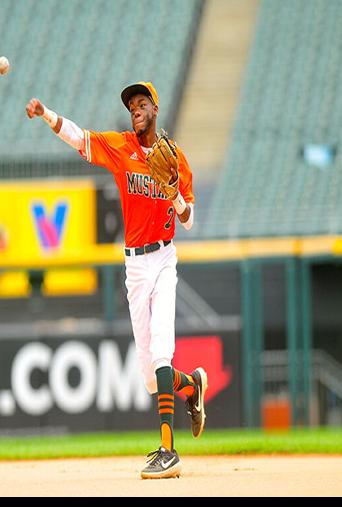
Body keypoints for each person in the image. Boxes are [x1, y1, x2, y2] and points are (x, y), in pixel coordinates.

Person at [25, 81, 208, 480]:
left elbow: (190, 221)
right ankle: (191, 388)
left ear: (155, 109)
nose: (135, 109)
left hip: (162, 259)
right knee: (149, 377)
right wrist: (46, 115)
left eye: (142, 103)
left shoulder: (174, 157)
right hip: (134, 267)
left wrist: (176, 195)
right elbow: (80, 139)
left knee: (161, 353)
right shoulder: (120, 146)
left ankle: (167, 451)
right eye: (131, 105)